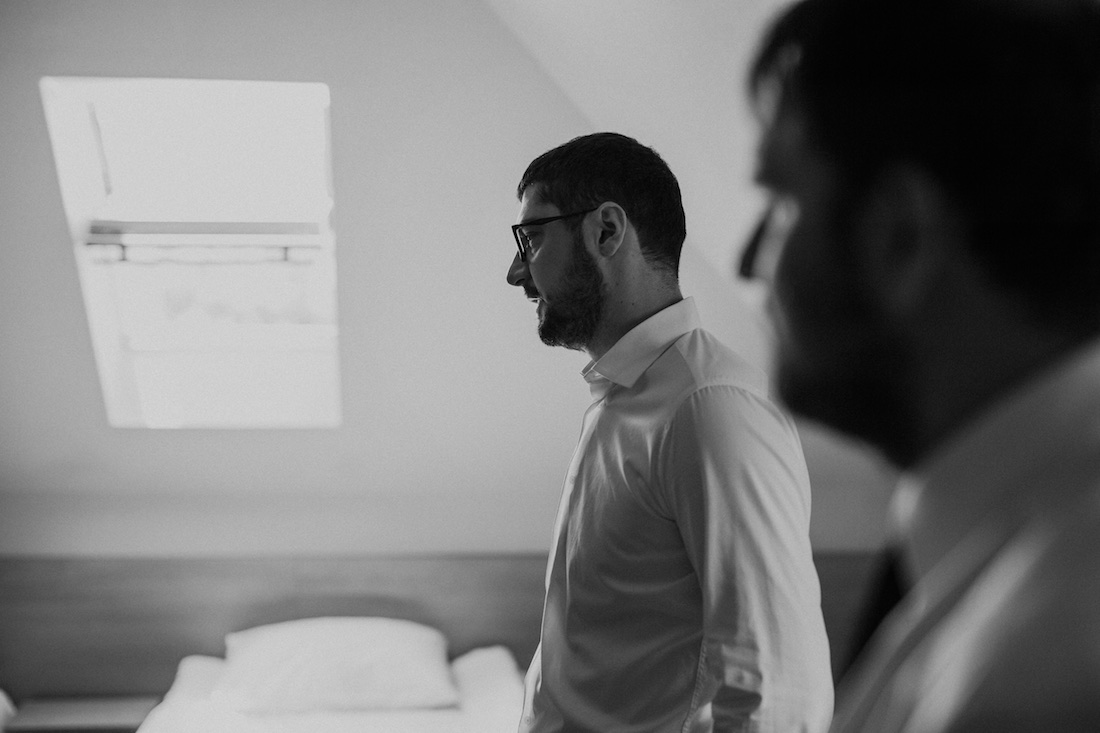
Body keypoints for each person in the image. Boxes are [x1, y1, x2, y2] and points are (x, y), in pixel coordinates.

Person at [740, 0, 1100, 730]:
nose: (748, 263)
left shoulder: (1021, 690)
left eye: (782, 203)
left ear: (901, 236)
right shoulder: (1006, 550)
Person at [506, 132, 833, 732]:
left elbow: (778, 689)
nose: (515, 272)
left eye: (532, 239)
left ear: (606, 231)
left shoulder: (710, 408)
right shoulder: (625, 399)